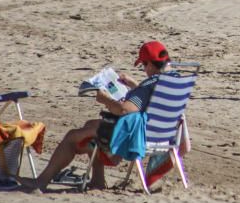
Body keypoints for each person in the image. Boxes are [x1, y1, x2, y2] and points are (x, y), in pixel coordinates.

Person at [21, 41, 172, 192]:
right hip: (160, 133)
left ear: (151, 65)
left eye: (144, 65)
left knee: (72, 136)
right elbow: (151, 101)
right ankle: (97, 180)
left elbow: (125, 111)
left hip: (134, 135)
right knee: (89, 126)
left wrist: (105, 99)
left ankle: (41, 181)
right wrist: (134, 86)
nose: (144, 69)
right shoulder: (172, 81)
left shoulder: (150, 84)